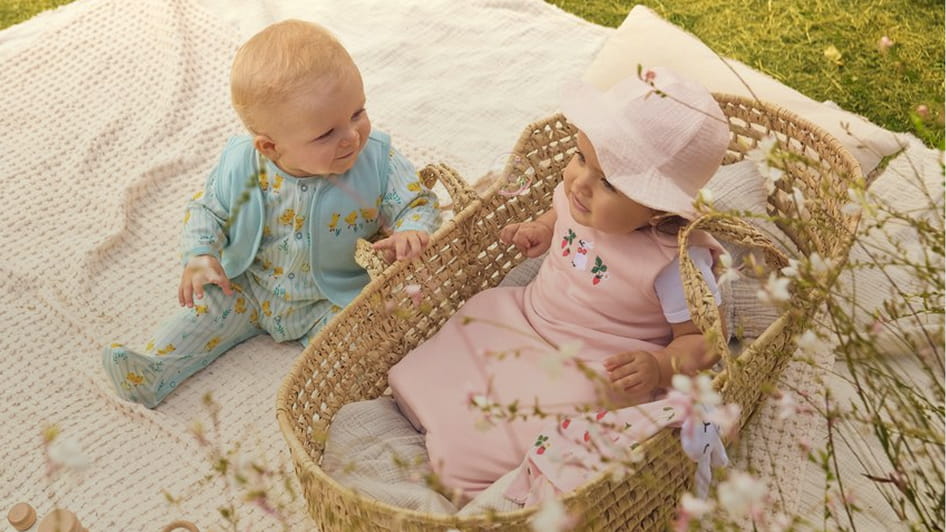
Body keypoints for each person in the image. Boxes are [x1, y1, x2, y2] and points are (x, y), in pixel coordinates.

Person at [387, 67, 730, 499]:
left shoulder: (673, 262)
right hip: (532, 314)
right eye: (581, 157)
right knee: (482, 310)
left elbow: (706, 339)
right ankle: (432, 401)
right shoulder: (579, 199)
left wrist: (659, 366)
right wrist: (542, 229)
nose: (579, 184)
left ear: (659, 210)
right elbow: (558, 215)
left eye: (609, 182)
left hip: (593, 359)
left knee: (565, 404)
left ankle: (470, 457)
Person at [102, 20, 441, 408]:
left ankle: (339, 401)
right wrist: (200, 255)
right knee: (202, 314)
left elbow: (417, 202)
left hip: (332, 297)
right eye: (325, 134)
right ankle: (153, 371)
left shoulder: (377, 160)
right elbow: (207, 209)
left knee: (359, 345)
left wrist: (411, 230)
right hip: (250, 284)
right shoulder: (243, 166)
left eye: (357, 112)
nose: (351, 136)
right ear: (270, 147)